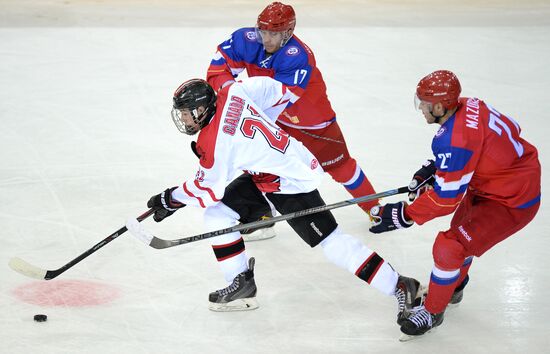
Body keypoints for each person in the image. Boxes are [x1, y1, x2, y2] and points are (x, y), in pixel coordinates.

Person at [143, 76, 422, 323]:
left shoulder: (214, 141)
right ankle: (241, 286)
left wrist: (171, 199)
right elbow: (273, 89)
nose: (184, 121)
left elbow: (206, 189)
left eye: (187, 114)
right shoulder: (232, 92)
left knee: (331, 242)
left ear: (201, 109)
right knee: (218, 214)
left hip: (288, 184)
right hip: (279, 166)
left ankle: (398, 284)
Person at [369, 70, 541, 339]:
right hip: (496, 185)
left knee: (450, 246)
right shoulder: (470, 104)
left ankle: (432, 312)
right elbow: (495, 136)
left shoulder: (456, 140)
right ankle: (454, 285)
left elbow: (446, 198)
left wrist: (405, 213)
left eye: (424, 104)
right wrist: (436, 167)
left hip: (511, 202)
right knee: (460, 234)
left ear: (439, 106)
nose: (421, 110)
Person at [206, 2, 379, 240]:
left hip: (312, 122)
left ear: (287, 33)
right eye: (263, 31)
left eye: (274, 33)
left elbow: (277, 98)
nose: (266, 39)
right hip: (272, 118)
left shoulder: (298, 56)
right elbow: (217, 70)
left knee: (341, 167)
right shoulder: (245, 39)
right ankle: (262, 218)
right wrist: (232, 92)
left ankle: (375, 208)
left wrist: (236, 96)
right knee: (265, 169)